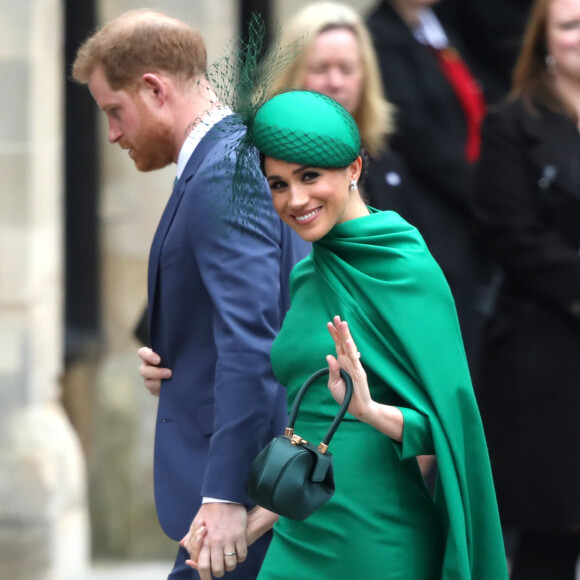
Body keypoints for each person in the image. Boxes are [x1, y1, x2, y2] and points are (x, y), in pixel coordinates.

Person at [185, 90, 508, 579]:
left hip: (378, 540)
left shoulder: (406, 267)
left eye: (310, 176)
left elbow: (449, 426)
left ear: (355, 168)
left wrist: (371, 412)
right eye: (278, 184)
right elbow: (314, 436)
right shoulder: (305, 273)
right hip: (299, 533)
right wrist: (249, 527)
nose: (295, 200)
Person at [72, 10, 309, 580]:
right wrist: (176, 358)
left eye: (114, 111)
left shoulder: (224, 171)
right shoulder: (223, 161)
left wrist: (227, 495)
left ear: (154, 88)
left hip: (244, 489)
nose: (113, 134)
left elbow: (255, 340)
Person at [471, 0, 580, 577]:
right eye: (568, 24)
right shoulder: (511, 124)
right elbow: (510, 233)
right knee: (552, 533)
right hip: (547, 354)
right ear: (544, 41)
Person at [365, 0, 488, 371]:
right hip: (432, 209)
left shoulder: (437, 25)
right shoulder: (380, 34)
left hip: (470, 202)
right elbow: (417, 135)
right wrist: (485, 190)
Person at [268, 1, 418, 229]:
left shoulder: (386, 161)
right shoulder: (264, 164)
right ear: (291, 74)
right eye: (320, 69)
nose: (335, 83)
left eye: (347, 69)